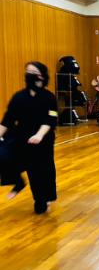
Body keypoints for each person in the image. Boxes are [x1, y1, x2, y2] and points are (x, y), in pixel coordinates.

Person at [0, 62, 58, 214]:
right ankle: (18, 182)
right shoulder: (18, 97)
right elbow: (7, 120)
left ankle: (43, 199)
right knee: (3, 156)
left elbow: (50, 119)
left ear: (41, 76)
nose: (29, 74)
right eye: (27, 71)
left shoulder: (49, 97)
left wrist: (39, 135)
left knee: (41, 172)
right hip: (21, 138)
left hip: (43, 140)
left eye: (33, 71)